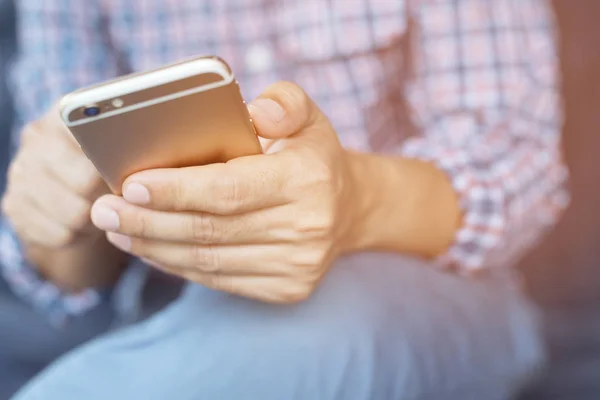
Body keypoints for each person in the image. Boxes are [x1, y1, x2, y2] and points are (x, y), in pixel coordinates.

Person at [0, 0, 568, 399]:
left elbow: (517, 170)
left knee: (313, 335)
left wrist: (352, 203)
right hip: (166, 306)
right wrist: (55, 219)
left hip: (424, 287)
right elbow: (71, 276)